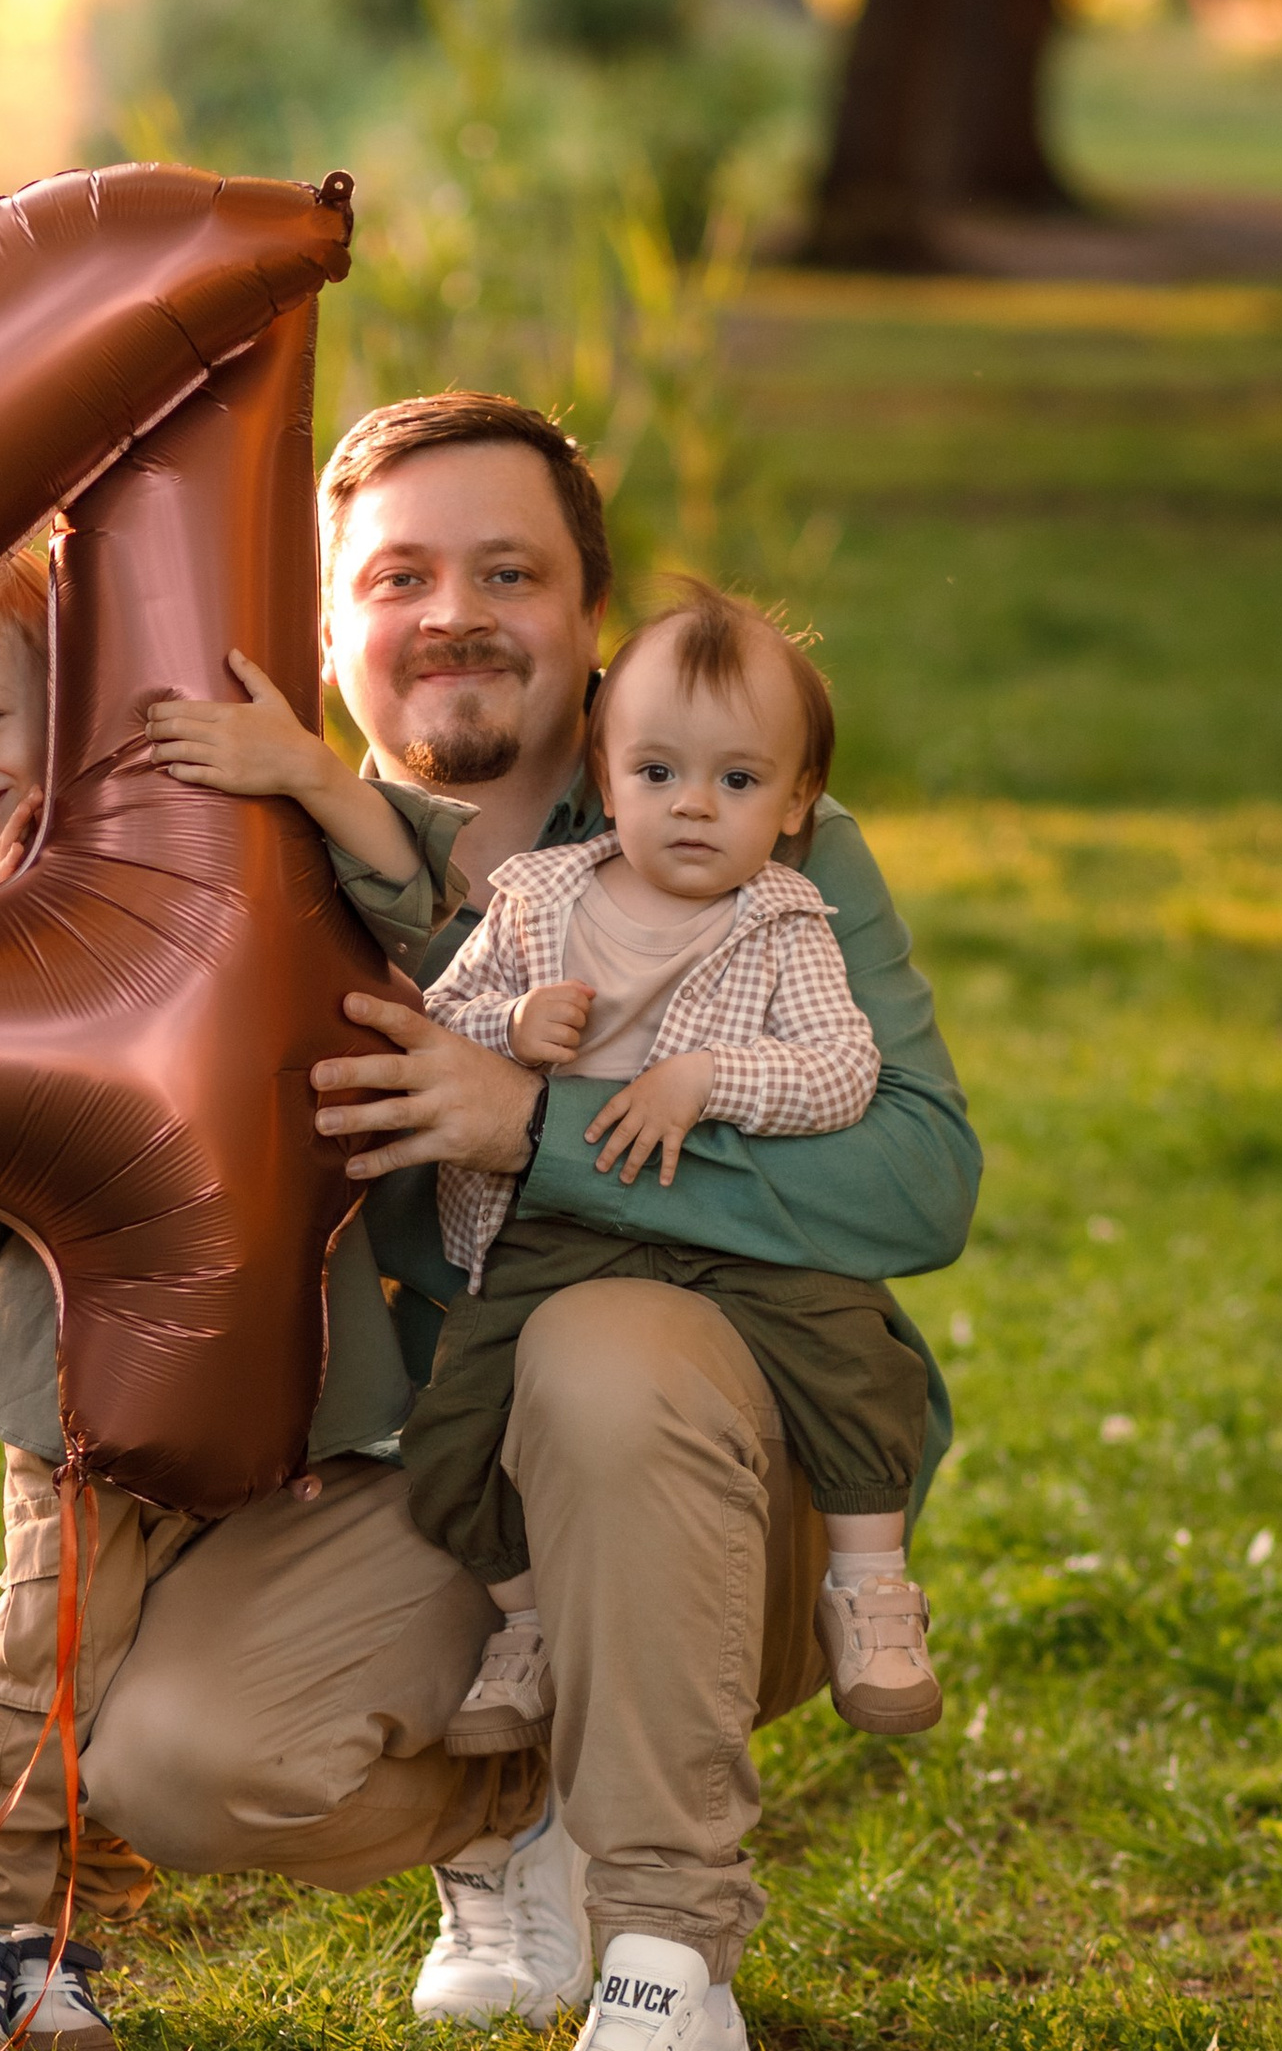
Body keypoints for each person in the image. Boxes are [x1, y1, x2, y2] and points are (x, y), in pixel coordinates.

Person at [83, 390, 976, 2051]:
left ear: (590, 620)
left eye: (512, 570)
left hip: (717, 1462)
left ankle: (669, 1987)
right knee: (178, 1758)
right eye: (399, 575)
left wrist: (534, 1126)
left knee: (601, 1345)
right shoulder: (268, 863)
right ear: (328, 628)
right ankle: (528, 1813)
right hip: (456, 1493)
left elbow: (918, 1176)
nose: (456, 613)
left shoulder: (746, 833)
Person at [0, 547, 487, 2051]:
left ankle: (61, 1929)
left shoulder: (215, 854)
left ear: (70, 718)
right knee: (54, 1639)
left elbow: (442, 909)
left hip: (284, 1369)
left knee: (132, 1658)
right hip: (76, 1371)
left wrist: (305, 781)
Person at [403, 578, 941, 1755]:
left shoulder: (785, 921)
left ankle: (868, 1588)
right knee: (451, 1431)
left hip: (728, 1234)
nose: (693, 807)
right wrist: (513, 1026)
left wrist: (710, 1080)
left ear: (796, 801)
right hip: (551, 1232)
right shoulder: (539, 900)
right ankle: (526, 1621)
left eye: (737, 781)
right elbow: (446, 1015)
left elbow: (843, 1072)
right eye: (656, 774)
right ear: (605, 776)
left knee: (854, 1357)